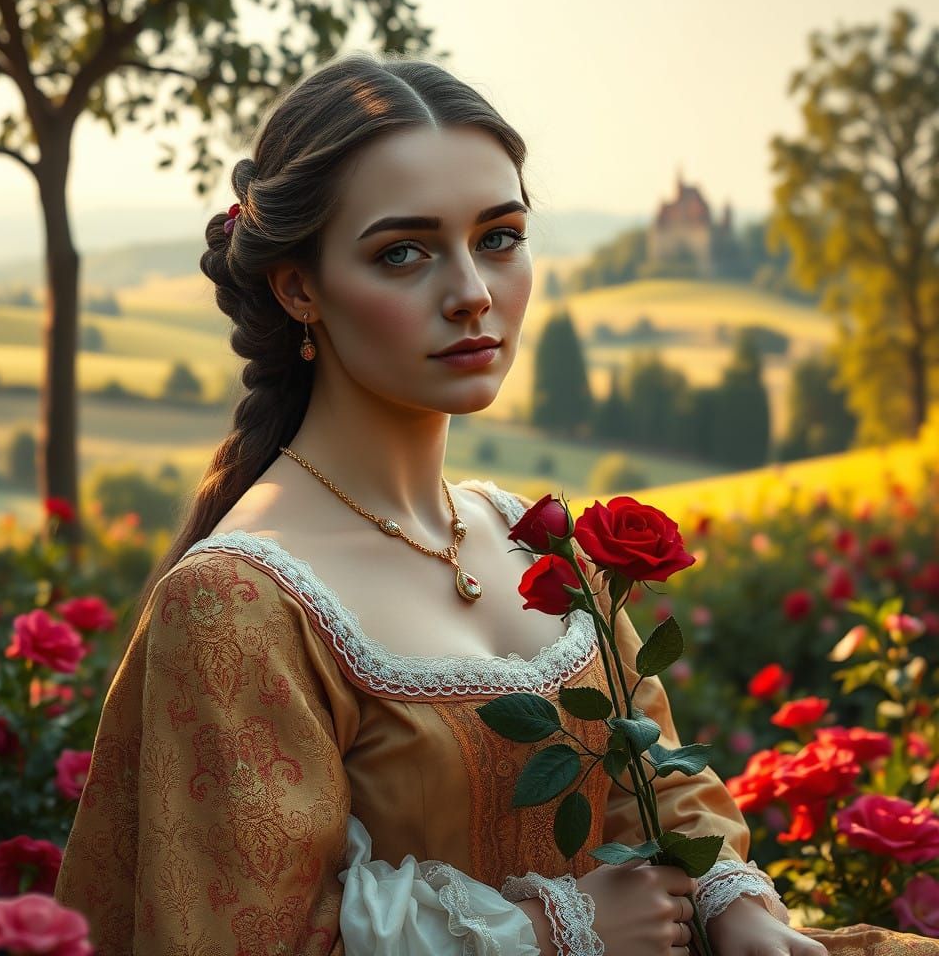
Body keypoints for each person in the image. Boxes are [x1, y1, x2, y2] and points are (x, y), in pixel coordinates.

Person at [53, 51, 937, 956]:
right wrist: (558, 933)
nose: (473, 294)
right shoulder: (242, 601)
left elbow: (657, 773)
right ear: (298, 286)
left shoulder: (538, 541)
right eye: (403, 252)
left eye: (499, 237)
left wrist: (735, 910)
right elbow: (240, 940)